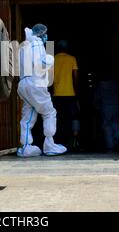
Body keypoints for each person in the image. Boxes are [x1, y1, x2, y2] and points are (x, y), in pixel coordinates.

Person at [17, 24, 67, 157]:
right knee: (49, 112)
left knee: (28, 116)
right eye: (46, 35)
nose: (46, 37)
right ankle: (49, 144)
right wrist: (51, 59)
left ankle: (26, 147)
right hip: (35, 83)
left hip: (23, 84)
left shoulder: (23, 46)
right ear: (42, 34)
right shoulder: (37, 44)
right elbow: (42, 63)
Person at [52, 40, 81, 151]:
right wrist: (77, 93)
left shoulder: (53, 59)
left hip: (57, 94)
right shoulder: (72, 59)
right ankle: (71, 142)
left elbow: (49, 78)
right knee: (71, 118)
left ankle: (58, 140)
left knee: (58, 118)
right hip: (70, 93)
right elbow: (75, 78)